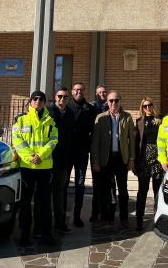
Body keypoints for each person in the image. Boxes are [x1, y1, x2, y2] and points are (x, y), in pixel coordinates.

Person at [12, 91, 58, 247]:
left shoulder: (50, 121)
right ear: (30, 102)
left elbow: (53, 141)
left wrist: (41, 156)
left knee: (45, 202)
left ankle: (46, 234)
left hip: (45, 167)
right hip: (27, 167)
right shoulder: (21, 120)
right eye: (35, 98)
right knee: (25, 202)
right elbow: (17, 141)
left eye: (41, 99)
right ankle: (25, 234)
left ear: (44, 102)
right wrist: (31, 156)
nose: (38, 101)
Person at [91, 91, 135, 231]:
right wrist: (96, 161)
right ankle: (104, 218)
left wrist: (131, 158)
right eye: (111, 101)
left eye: (116, 100)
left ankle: (124, 219)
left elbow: (131, 141)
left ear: (120, 101)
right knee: (104, 190)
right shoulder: (100, 117)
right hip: (105, 159)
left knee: (123, 190)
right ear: (107, 102)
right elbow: (95, 142)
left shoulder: (127, 118)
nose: (113, 103)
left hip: (121, 158)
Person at [66, 82, 95, 228]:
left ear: (84, 91)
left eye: (81, 90)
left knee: (80, 184)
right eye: (76, 90)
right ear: (72, 91)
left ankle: (77, 216)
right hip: (67, 153)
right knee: (64, 184)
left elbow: (93, 130)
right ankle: (62, 216)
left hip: (82, 153)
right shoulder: (66, 107)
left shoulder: (89, 109)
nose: (79, 92)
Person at [47, 87, 75, 234]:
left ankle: (59, 222)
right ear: (55, 97)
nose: (62, 99)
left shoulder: (70, 114)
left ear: (68, 99)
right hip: (47, 159)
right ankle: (41, 224)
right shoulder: (48, 111)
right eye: (59, 96)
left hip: (63, 159)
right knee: (43, 193)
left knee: (59, 191)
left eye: (65, 97)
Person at [132, 97, 164, 231]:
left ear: (153, 106)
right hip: (144, 159)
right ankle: (139, 218)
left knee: (157, 191)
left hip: (157, 158)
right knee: (142, 190)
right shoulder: (139, 122)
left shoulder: (160, 121)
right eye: (145, 106)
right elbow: (135, 141)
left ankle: (158, 217)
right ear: (142, 108)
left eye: (149, 105)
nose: (147, 108)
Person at [90, 84, 116, 223]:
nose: (102, 94)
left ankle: (110, 212)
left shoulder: (114, 105)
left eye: (104, 92)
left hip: (110, 150)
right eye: (100, 92)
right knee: (96, 183)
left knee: (111, 183)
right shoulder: (91, 107)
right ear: (96, 93)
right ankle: (95, 212)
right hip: (95, 149)